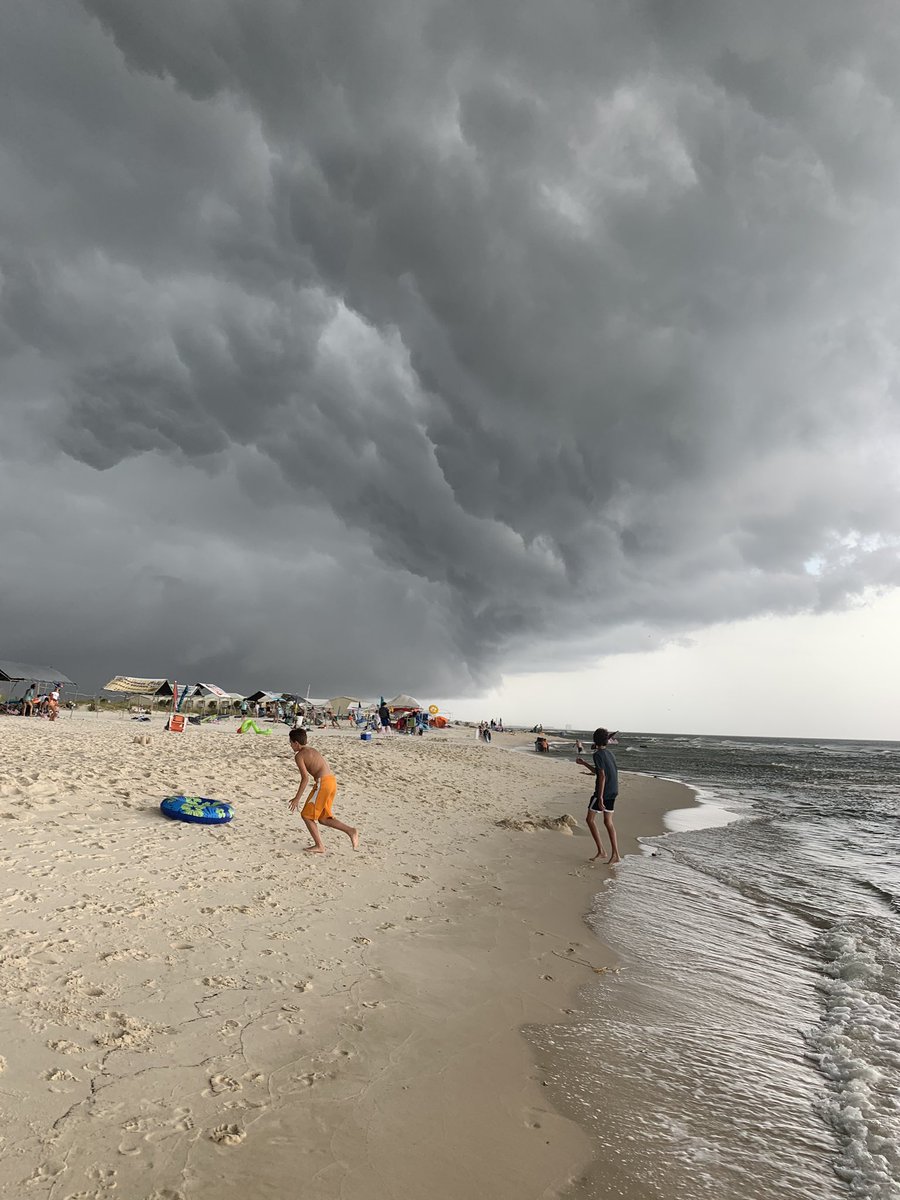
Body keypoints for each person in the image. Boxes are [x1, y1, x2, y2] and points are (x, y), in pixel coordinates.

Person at [287, 728, 359, 854]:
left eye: (291, 743)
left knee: (306, 815)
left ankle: (319, 846)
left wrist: (297, 798)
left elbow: (305, 778)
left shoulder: (299, 755)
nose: (290, 745)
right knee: (323, 818)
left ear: (296, 743)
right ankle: (350, 830)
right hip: (331, 782)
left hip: (323, 784)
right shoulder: (312, 750)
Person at [576, 727, 620, 864]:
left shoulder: (598, 755)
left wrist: (600, 797)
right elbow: (599, 771)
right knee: (608, 822)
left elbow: (601, 775)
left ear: (595, 740)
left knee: (590, 820)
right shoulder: (610, 754)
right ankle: (616, 855)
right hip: (613, 790)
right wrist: (584, 764)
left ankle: (602, 851)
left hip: (603, 792)